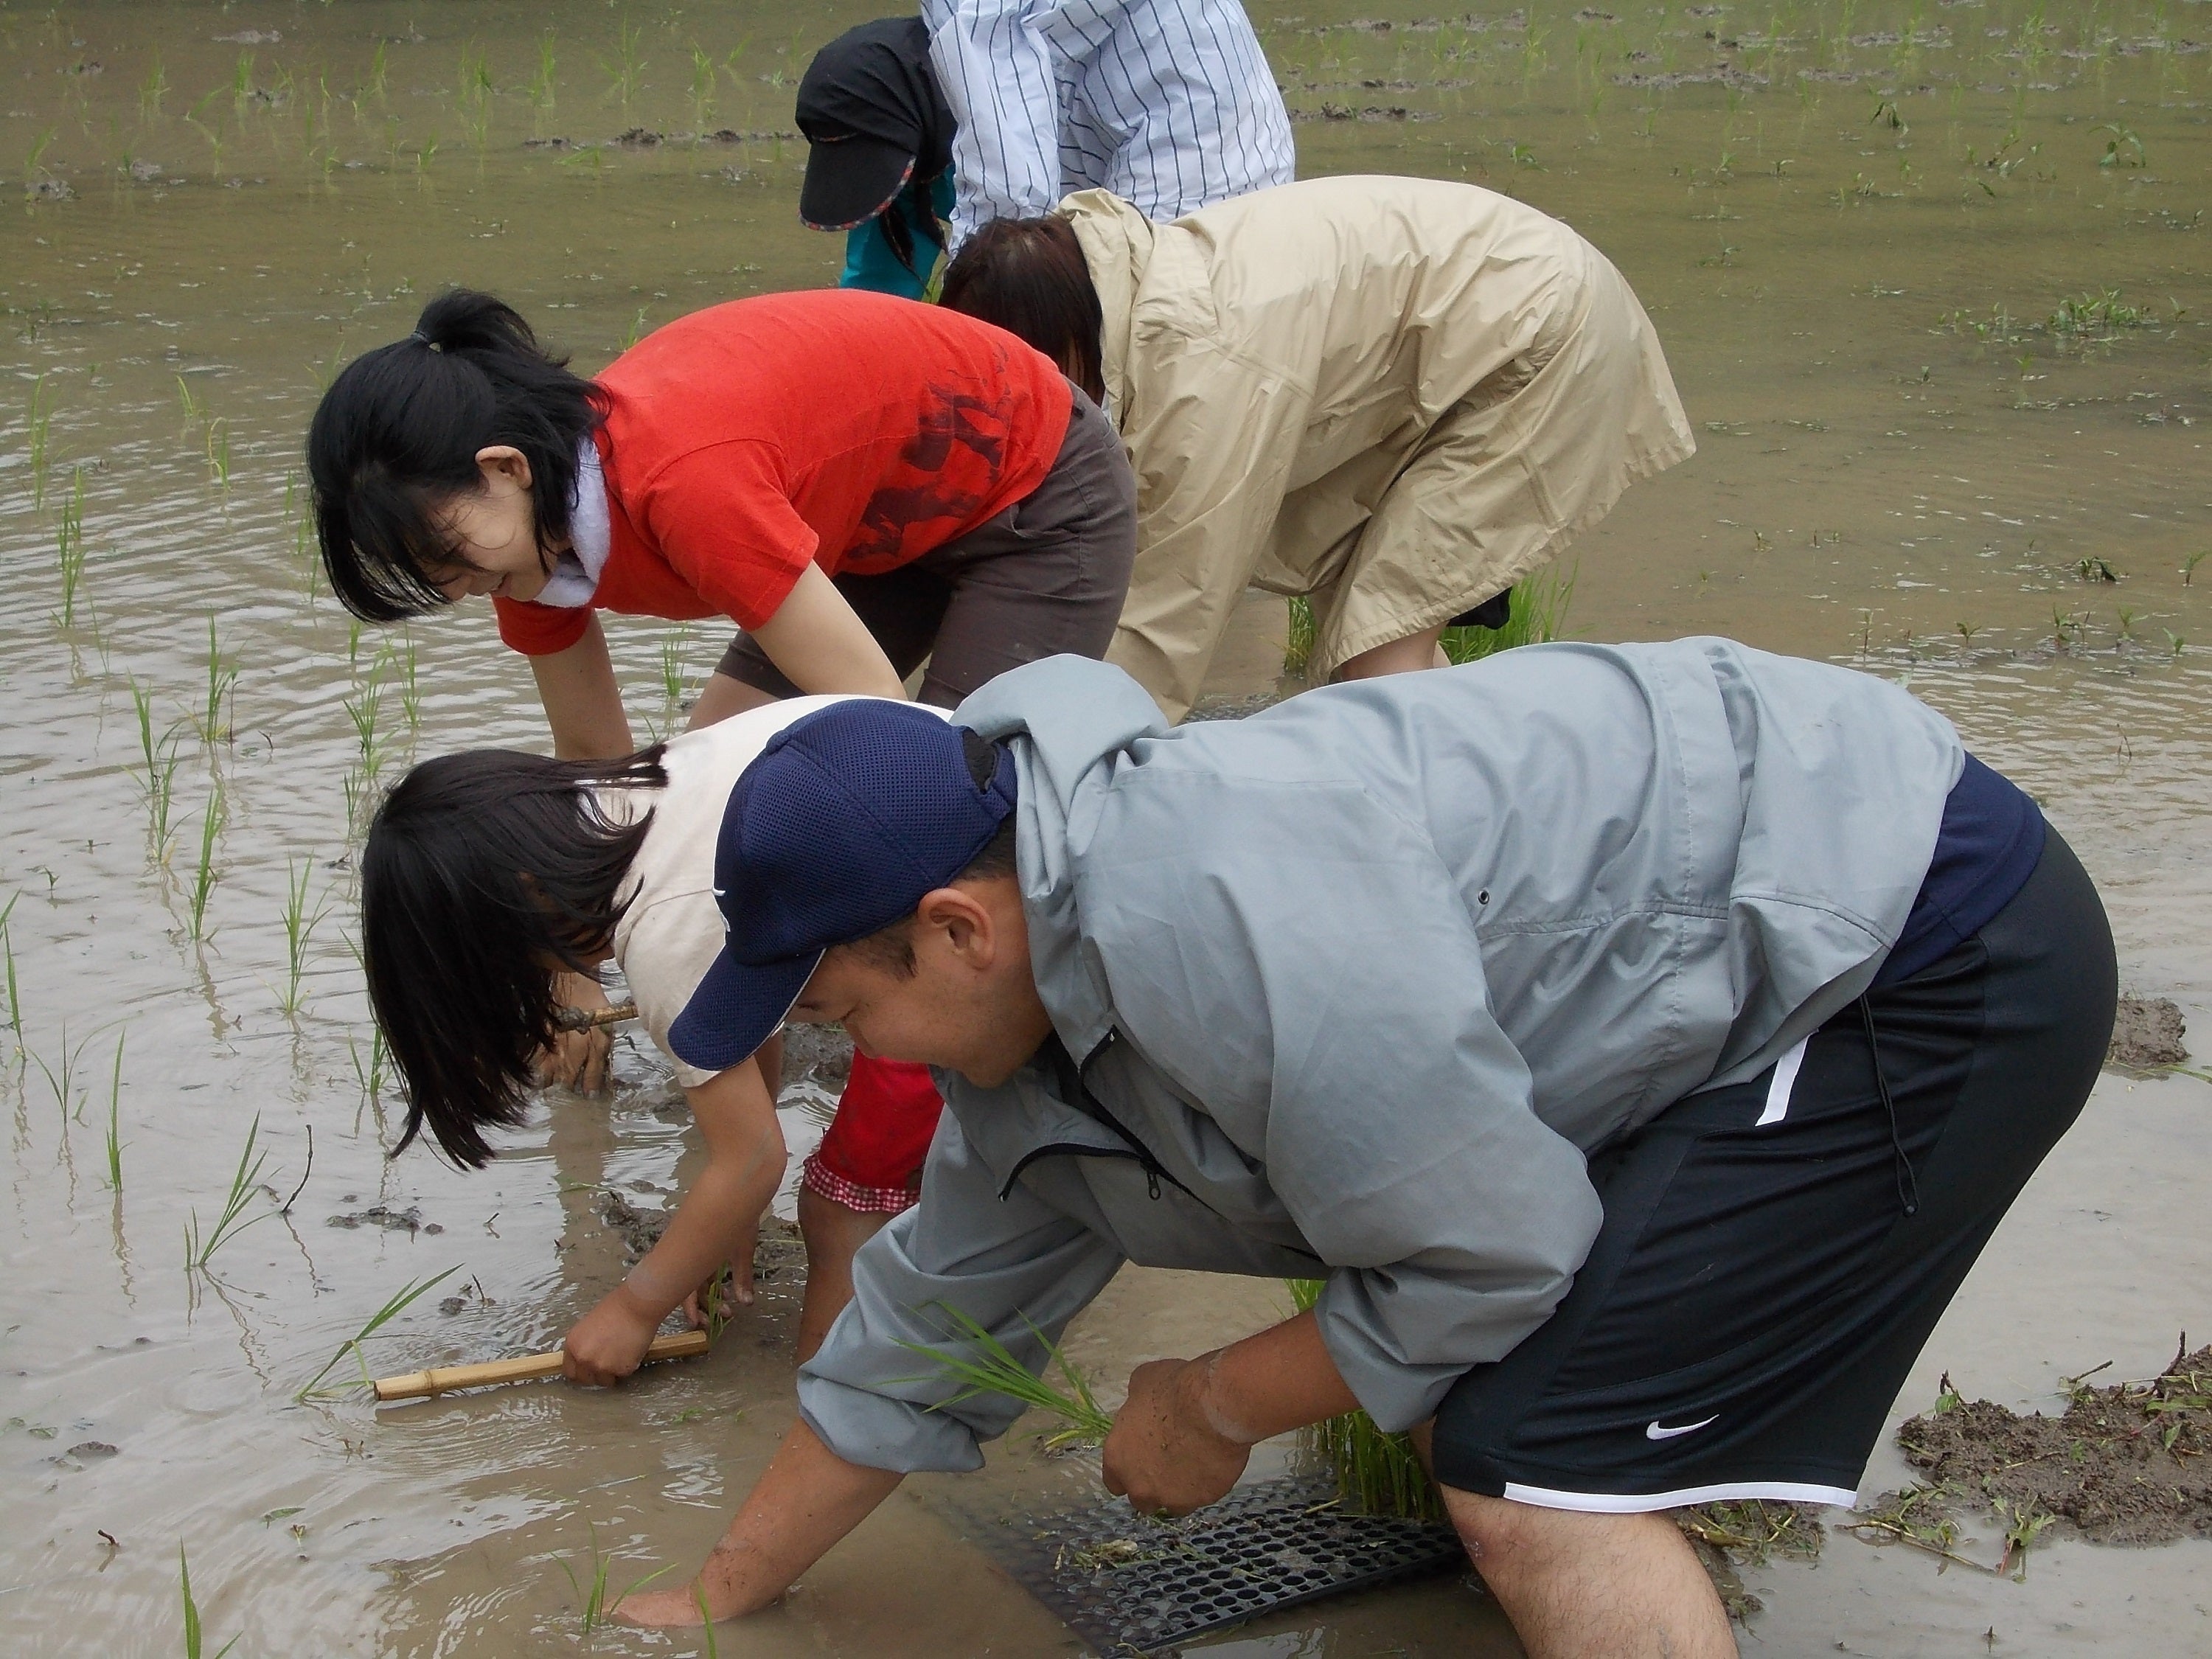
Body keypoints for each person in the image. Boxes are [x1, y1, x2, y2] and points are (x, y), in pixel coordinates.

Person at [613, 643, 2112, 1657]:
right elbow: (922, 1334)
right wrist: (719, 1595)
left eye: (838, 1008)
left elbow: (1491, 1253)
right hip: (1745, 939)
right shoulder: (1034, 1027)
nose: (846, 1055)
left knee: (1536, 1474)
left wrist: (1214, 1398)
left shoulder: (1211, 914)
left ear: (958, 928)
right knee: (1490, 1407)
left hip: (1907, 936)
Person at [310, 287, 1138, 1362]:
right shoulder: (531, 557)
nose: (459, 588)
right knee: (710, 792)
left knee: (921, 860)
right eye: (436, 581)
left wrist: (772, 1165)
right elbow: (604, 783)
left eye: (448, 553)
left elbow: (882, 749)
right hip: (869, 527)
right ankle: (785, 1120)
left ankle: (908, 1174)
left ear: (505, 467)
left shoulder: (681, 482)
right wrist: (569, 968)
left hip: (1027, 482)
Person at [939, 175, 1698, 720]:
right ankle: (1527, 775)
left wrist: (1034, 770)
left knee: (1375, 655)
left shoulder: (1201, 373)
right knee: (1377, 638)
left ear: (1066, 341)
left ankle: (1459, 842)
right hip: (1472, 331)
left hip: (1538, 337)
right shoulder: (1127, 291)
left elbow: (1164, 629)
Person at [361, 698, 916, 1374]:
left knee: (842, 1202)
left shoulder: (662, 930)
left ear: (522, 903)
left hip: (968, 914)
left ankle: (831, 1405)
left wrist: (634, 1310)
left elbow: (752, 1160)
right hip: (969, 812)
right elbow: (744, 1020)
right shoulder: (638, 793)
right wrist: (732, 1215)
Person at [796, 18, 959, 301]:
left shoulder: (995, 132)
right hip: (906, 115)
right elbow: (876, 289)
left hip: (950, 123)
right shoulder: (895, 173)